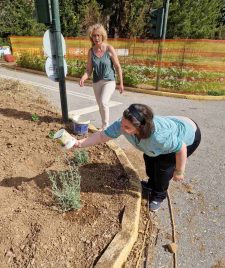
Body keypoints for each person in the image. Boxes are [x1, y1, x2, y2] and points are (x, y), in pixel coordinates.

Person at [73, 104, 201, 212]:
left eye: (127, 127)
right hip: (174, 126)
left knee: (163, 168)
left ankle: (158, 195)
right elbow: (102, 136)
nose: (121, 129)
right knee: (150, 158)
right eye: (122, 124)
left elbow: (181, 148)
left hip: (189, 136)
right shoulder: (122, 124)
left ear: (141, 127)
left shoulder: (159, 137)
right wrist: (80, 143)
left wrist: (179, 171)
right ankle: (151, 185)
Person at [79, 23, 124, 130]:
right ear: (91, 37)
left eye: (98, 35)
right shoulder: (91, 51)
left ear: (102, 36)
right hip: (96, 82)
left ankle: (105, 127)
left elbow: (118, 66)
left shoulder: (109, 49)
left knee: (104, 102)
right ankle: (104, 125)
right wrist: (83, 78)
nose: (96, 38)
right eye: (94, 36)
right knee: (100, 105)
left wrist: (121, 83)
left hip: (109, 81)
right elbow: (89, 70)